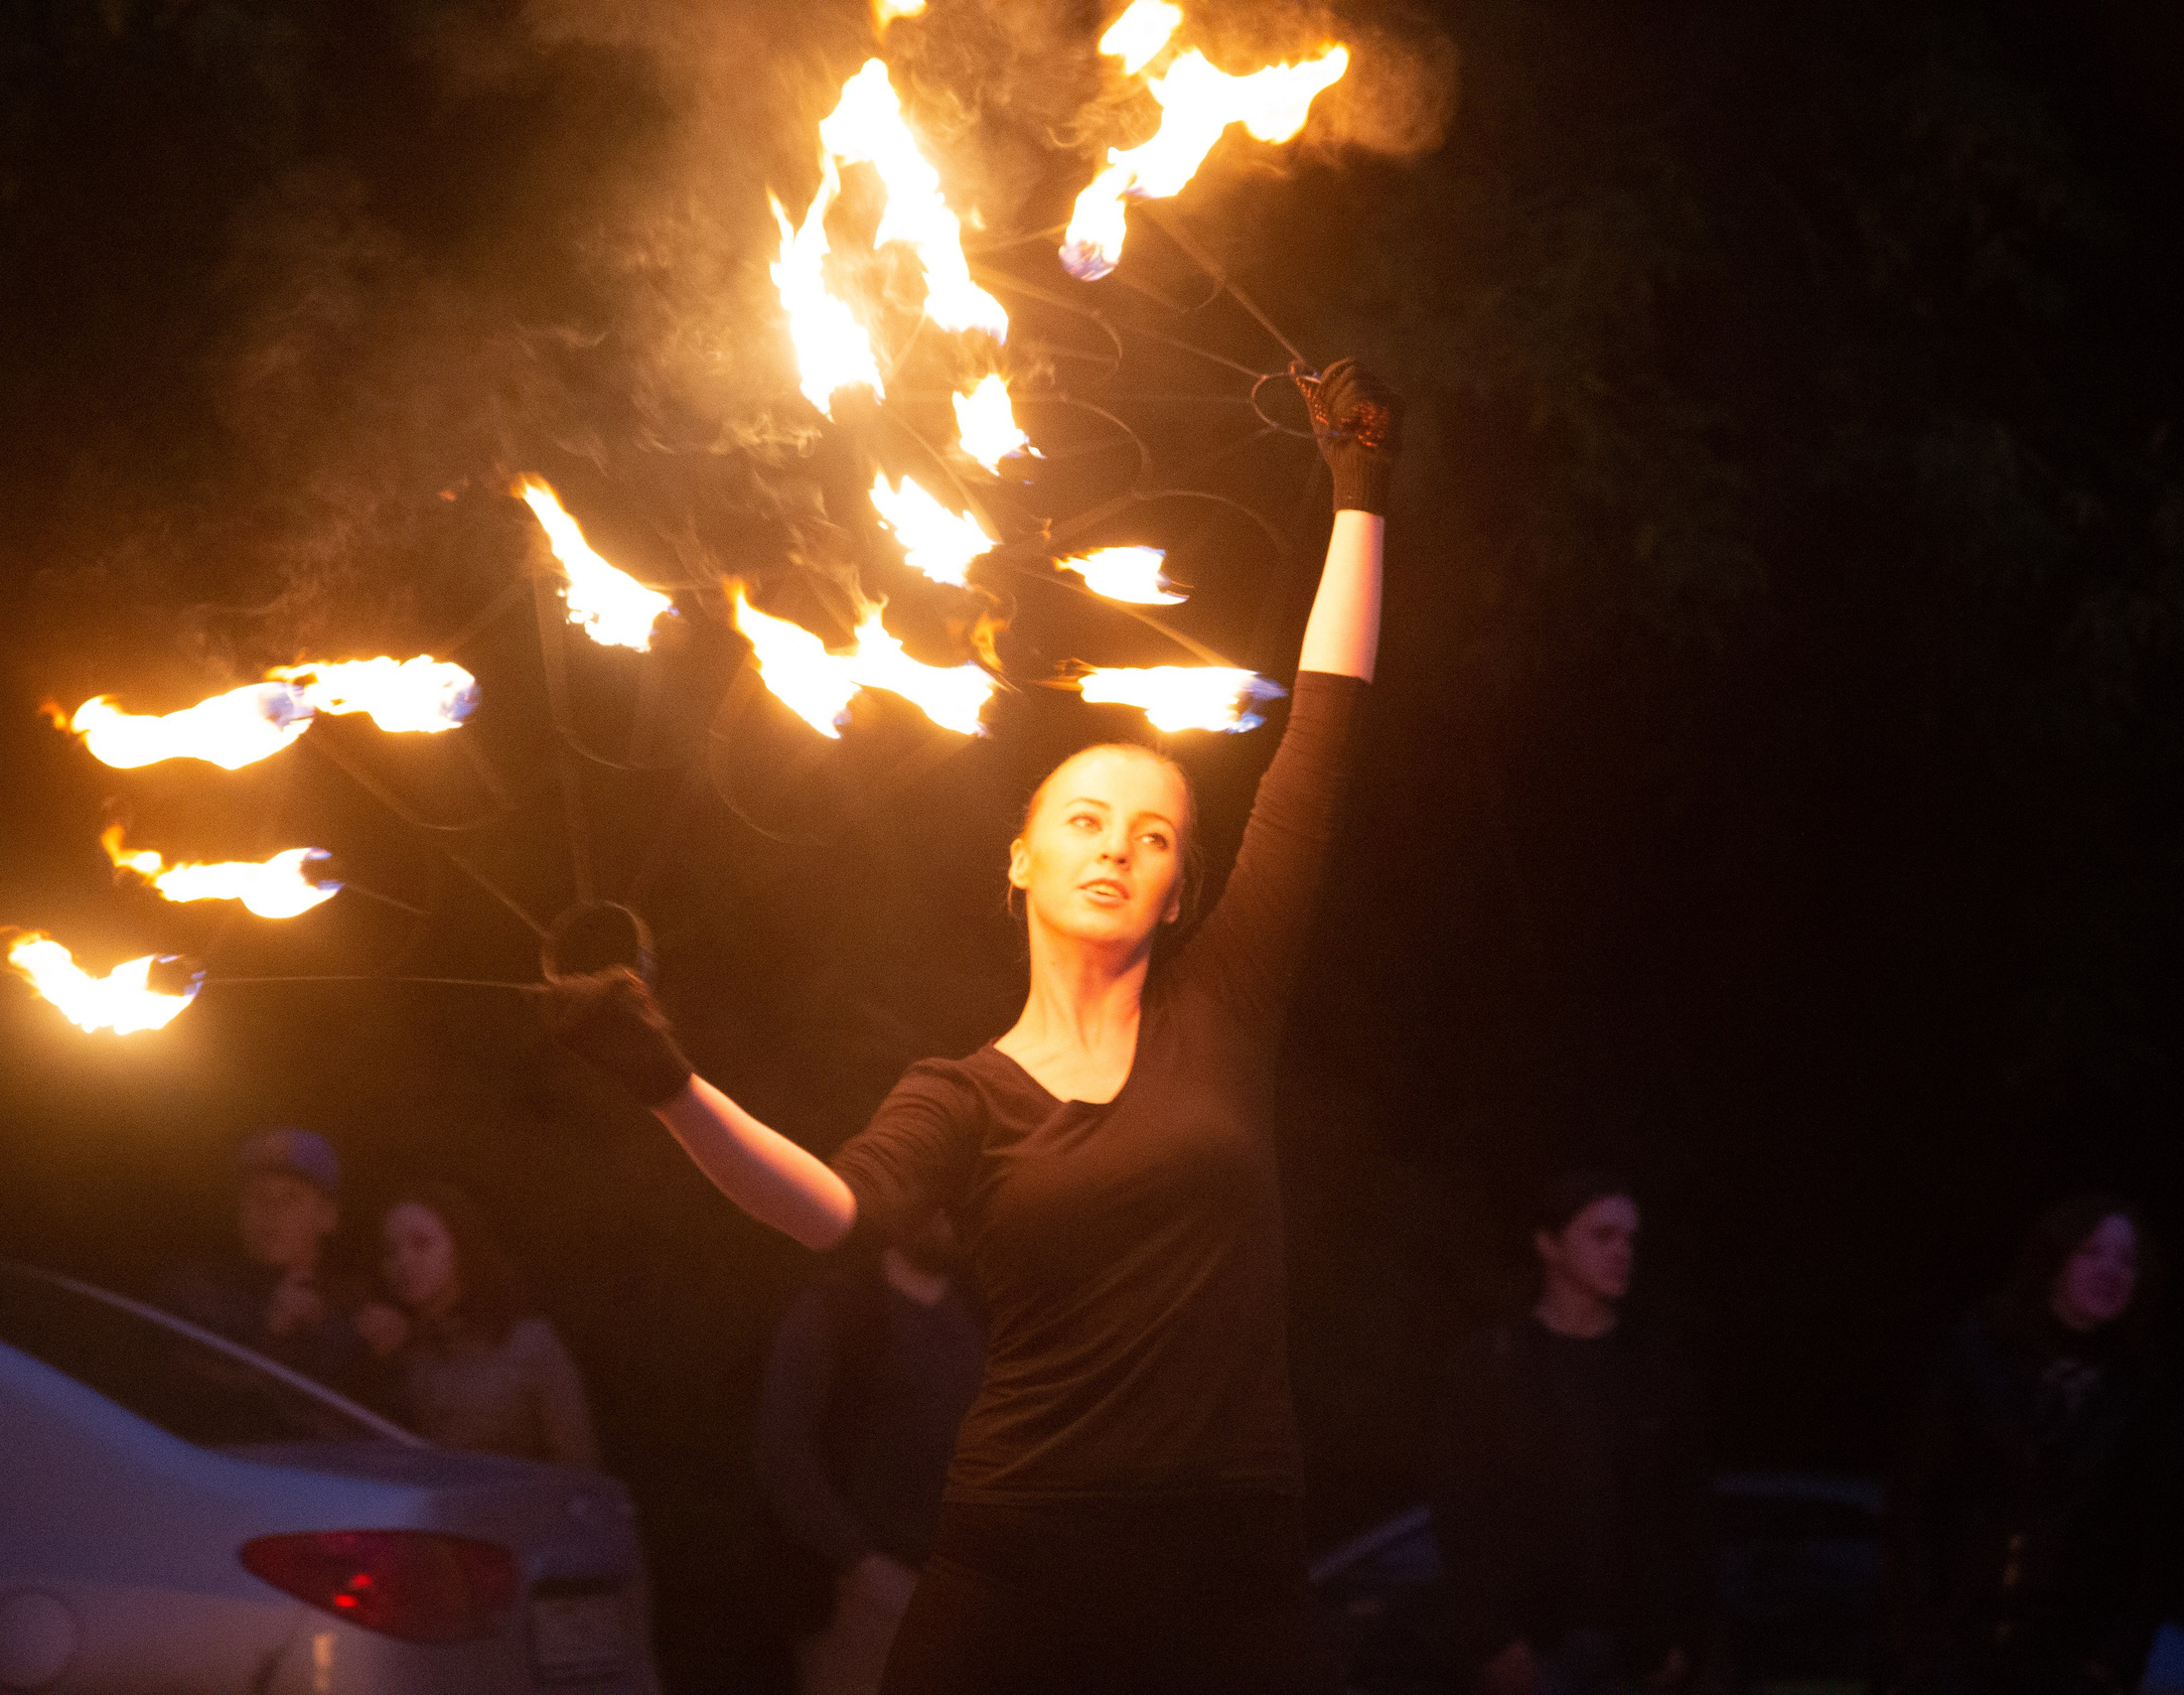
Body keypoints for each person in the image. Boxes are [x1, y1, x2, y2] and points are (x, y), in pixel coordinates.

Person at [540, 356, 1397, 1693]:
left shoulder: (1223, 1008)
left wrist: (1359, 487)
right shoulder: (963, 1093)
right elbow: (828, 1211)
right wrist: (669, 1082)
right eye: (1085, 819)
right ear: (1020, 859)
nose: (1116, 845)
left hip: (1229, 1559)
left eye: (1153, 834)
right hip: (1023, 1553)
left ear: (1182, 890)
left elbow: (1325, 736)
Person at [1427, 1173, 1716, 1695]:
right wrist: (1491, 1640)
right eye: (1602, 1235)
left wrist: (1685, 1637)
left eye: (1629, 1238)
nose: (1622, 1251)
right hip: (1533, 1650)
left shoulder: (1654, 1366)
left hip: (1642, 1650)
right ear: (1548, 1244)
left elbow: (1688, 1507)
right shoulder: (1494, 1367)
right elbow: (1461, 1511)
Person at [1884, 1194, 2173, 1695]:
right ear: (2054, 1257)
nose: (2111, 1272)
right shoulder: (1979, 1354)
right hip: (1955, 1644)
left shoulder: (2140, 1390)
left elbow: (2149, 1536)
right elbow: (1916, 1497)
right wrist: (1920, 1638)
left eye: (2128, 1261)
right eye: (2092, 1252)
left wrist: (2107, 1663)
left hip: (2064, 1659)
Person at [757, 1213, 985, 1695]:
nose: (945, 1216)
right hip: (866, 1598)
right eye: (932, 1201)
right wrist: (862, 1562)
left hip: (967, 1595)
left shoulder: (981, 1310)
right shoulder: (840, 1308)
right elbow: (783, 1448)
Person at [353, 1181, 600, 1470]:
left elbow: (580, 1466)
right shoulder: (392, 1351)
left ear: (459, 1247)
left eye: (422, 1243)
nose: (403, 1261)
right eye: (391, 1251)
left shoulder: (528, 1345)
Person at [160, 1125, 366, 1387]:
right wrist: (272, 1332)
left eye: (291, 1197)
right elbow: (185, 1393)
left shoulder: (353, 1308)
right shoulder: (195, 1291)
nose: (270, 1210)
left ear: (328, 1216)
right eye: (256, 1194)